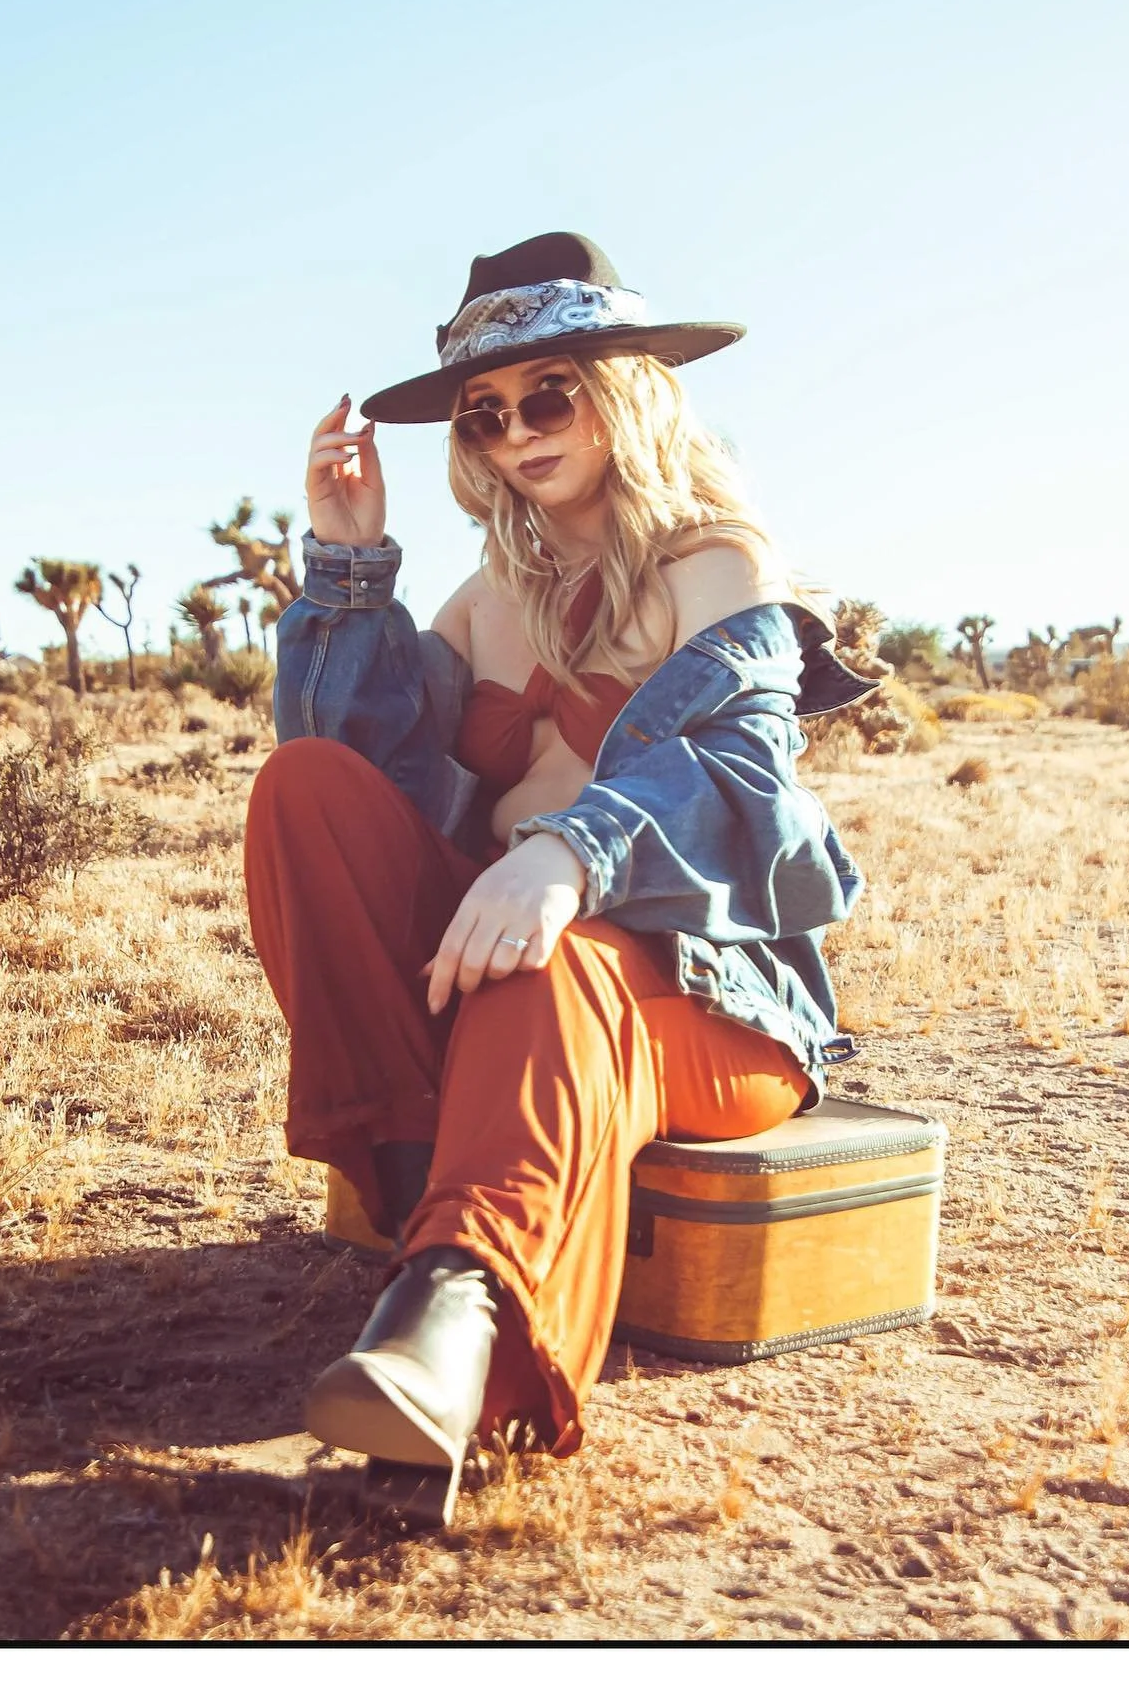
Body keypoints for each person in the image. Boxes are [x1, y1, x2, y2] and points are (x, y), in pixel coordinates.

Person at [244, 232, 874, 1522]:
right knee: (301, 790)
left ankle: (457, 1320)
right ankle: (424, 1167)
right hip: (485, 981)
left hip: (693, 995)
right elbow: (352, 751)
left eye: (551, 393)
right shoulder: (491, 592)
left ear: (623, 388)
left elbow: (738, 770)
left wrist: (570, 853)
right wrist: (351, 555)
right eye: (486, 412)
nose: (518, 430)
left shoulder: (717, 564)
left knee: (559, 956)